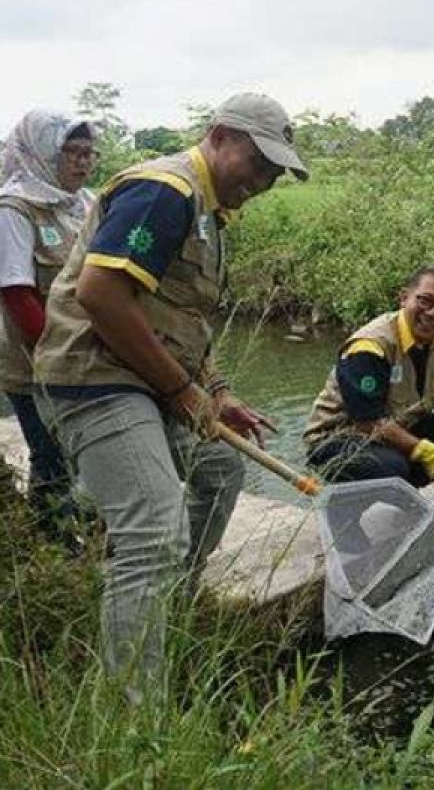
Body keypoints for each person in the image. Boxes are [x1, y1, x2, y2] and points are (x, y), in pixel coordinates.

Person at [33, 92, 306, 694]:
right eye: (258, 163)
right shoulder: (166, 191)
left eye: (275, 172)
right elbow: (101, 294)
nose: (263, 180)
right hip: (96, 378)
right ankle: (136, 710)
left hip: (146, 377)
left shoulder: (210, 211)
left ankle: (164, 605)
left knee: (220, 471)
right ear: (219, 136)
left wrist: (218, 389)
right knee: (155, 530)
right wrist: (184, 391)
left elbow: (181, 316)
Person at [304, 265, 434, 490]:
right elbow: (369, 422)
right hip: (339, 437)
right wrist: (425, 452)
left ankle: (407, 494)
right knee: (393, 467)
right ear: (403, 298)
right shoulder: (370, 346)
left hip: (399, 424)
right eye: (424, 301)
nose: (432, 313)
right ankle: (353, 505)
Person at [0, 110, 97, 531]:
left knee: (85, 450)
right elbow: (18, 294)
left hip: (86, 356)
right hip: (34, 362)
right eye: (71, 153)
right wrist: (60, 356)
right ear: (41, 154)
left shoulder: (85, 203)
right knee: (51, 454)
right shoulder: (15, 210)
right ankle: (55, 540)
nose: (82, 162)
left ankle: (80, 530)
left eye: (88, 153)